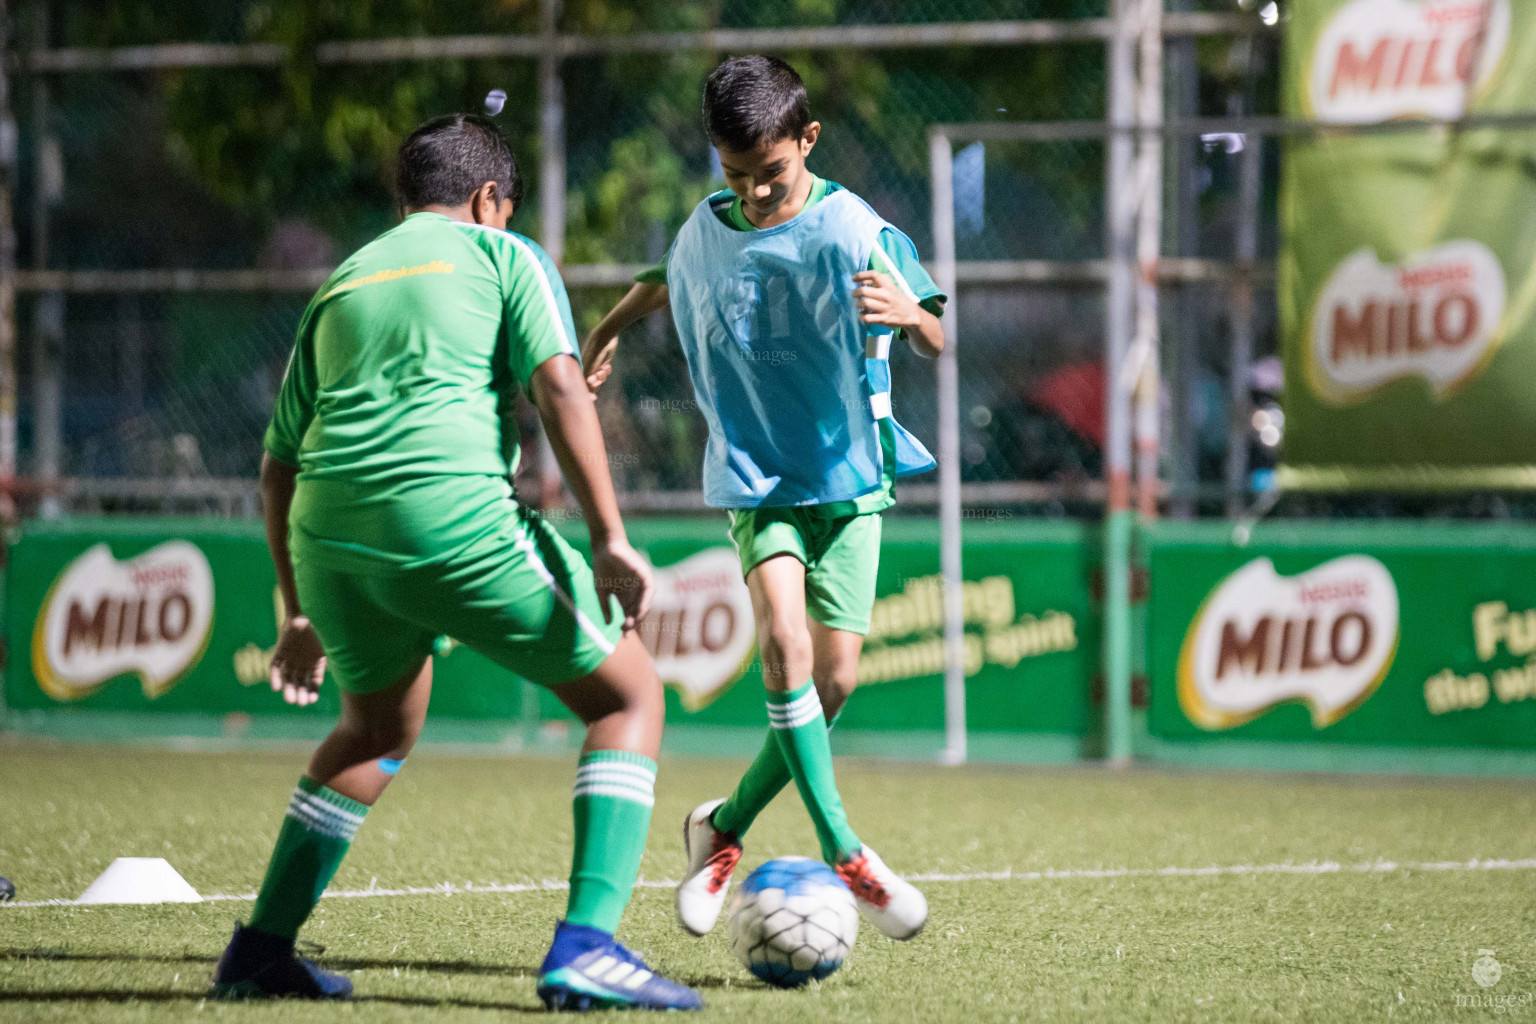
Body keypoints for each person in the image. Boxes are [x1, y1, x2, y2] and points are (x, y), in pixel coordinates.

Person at [209, 113, 701, 1013]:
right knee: (629, 697)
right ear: (488, 200)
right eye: (504, 209)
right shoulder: (506, 258)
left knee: (375, 731)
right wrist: (609, 536)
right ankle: (588, 948)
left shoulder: (344, 280)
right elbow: (558, 387)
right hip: (450, 518)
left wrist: (296, 607)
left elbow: (277, 465)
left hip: (327, 537)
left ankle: (259, 950)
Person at [583, 56, 944, 943]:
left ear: (807, 141)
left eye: (769, 173)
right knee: (782, 638)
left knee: (835, 680)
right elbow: (660, 278)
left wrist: (913, 316)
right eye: (733, 173)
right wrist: (603, 332)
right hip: (756, 476)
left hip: (851, 479)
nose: (751, 191)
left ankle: (724, 827)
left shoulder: (857, 229)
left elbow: (938, 333)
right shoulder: (707, 225)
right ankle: (845, 850)